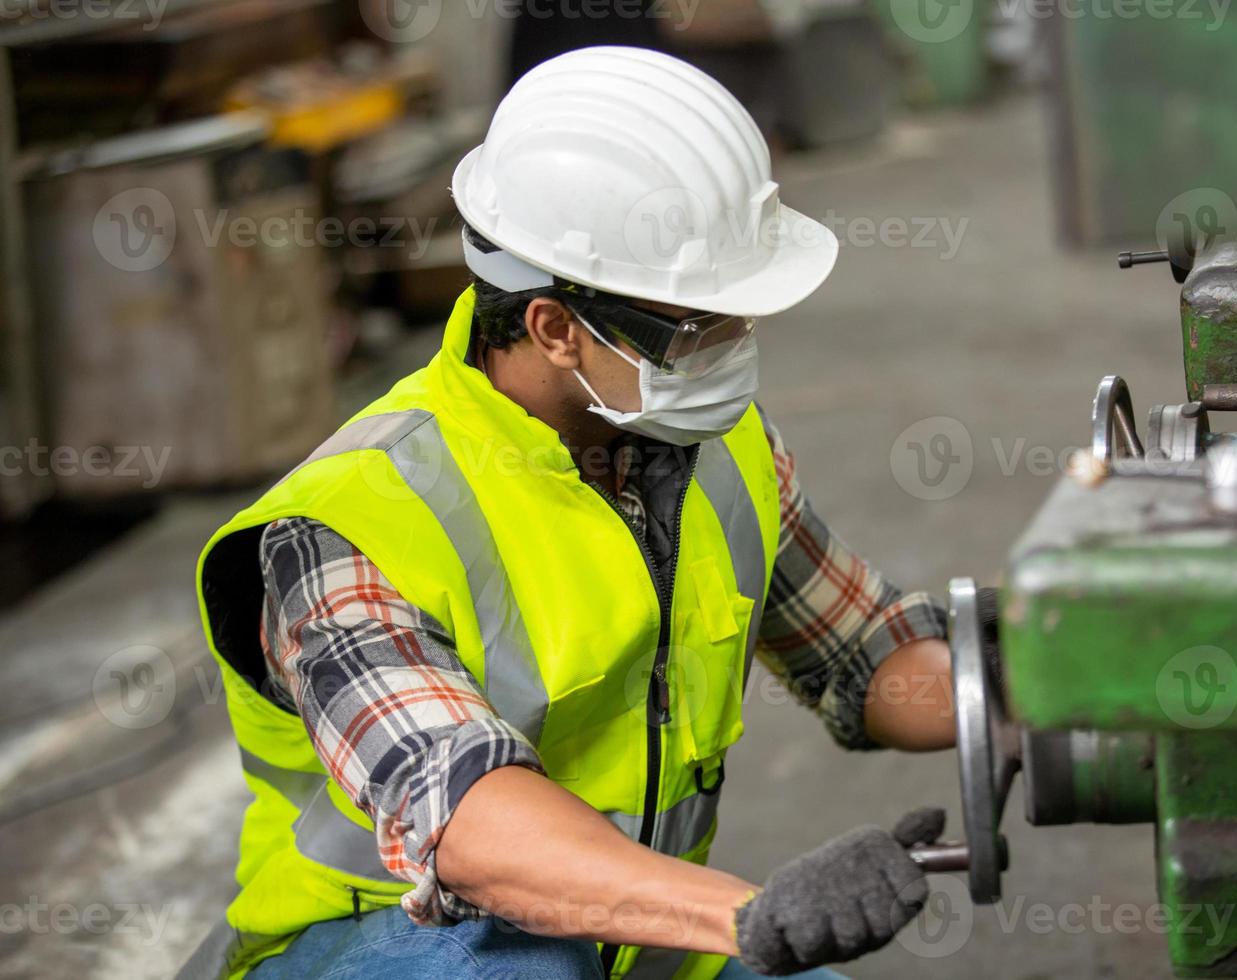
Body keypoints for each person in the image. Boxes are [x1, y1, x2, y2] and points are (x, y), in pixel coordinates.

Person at [190, 46, 988, 980]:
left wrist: (1031, 691)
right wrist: (753, 914)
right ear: (554, 328)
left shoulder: (711, 447)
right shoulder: (350, 524)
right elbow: (471, 821)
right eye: (697, 327)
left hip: (625, 936)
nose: (734, 349)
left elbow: (861, 650)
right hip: (396, 952)